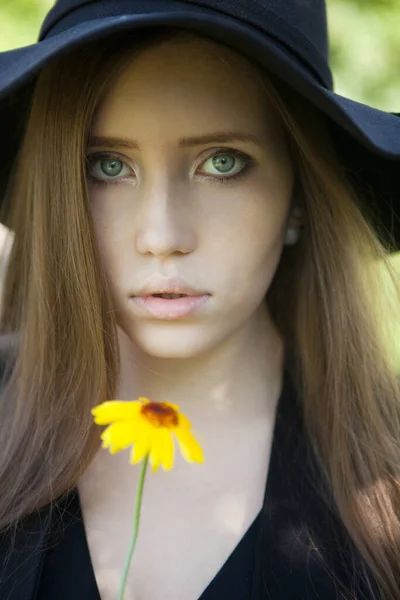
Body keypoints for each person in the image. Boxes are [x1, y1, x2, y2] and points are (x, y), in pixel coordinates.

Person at [0, 1, 399, 599]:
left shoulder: (385, 473)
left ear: (299, 194)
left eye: (222, 162)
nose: (161, 237)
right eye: (107, 166)